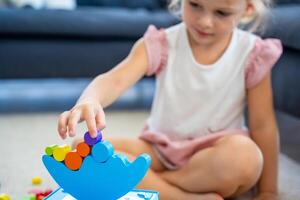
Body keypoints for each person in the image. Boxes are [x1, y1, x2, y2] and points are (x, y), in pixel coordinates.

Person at [57, 0, 283, 199]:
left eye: (221, 13)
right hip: (158, 150)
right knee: (84, 151)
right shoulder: (161, 43)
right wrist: (89, 99)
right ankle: (182, 196)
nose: (205, 21)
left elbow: (263, 125)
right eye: (195, 5)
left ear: (247, 9)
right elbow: (115, 79)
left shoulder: (253, 52)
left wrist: (268, 191)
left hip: (215, 157)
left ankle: (155, 184)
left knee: (246, 158)